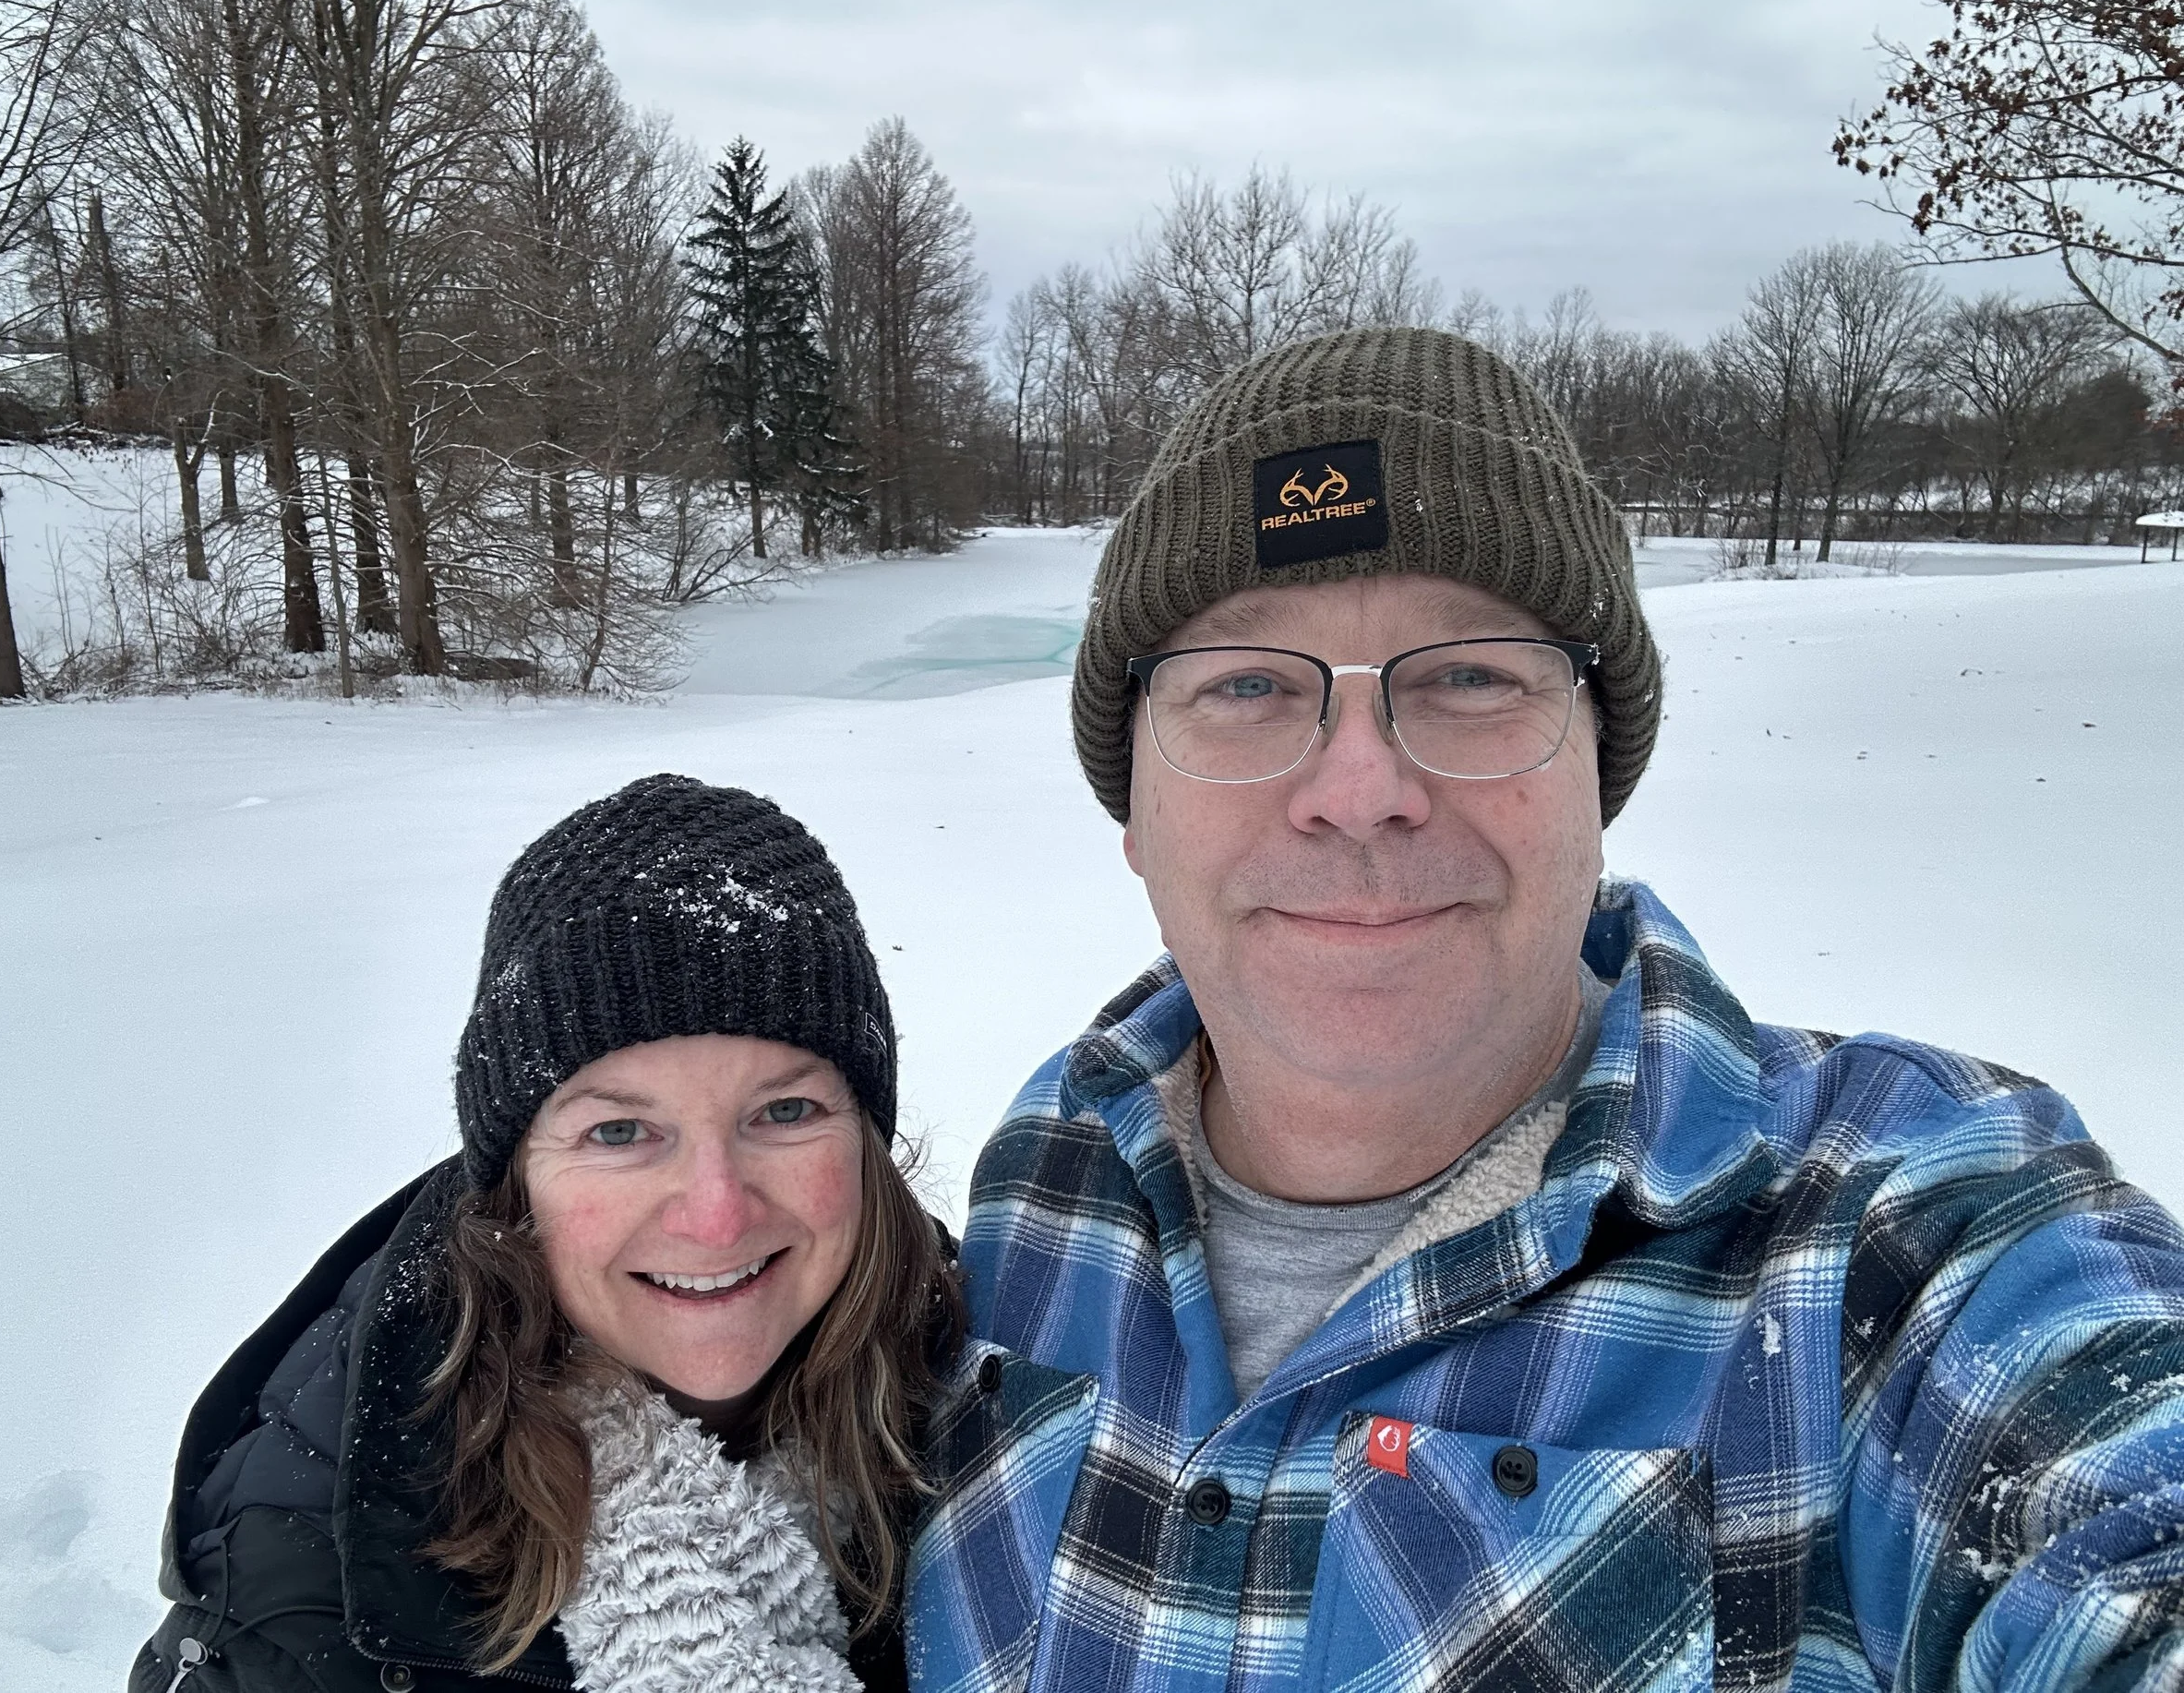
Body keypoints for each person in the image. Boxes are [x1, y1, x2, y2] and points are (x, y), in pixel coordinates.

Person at [906, 327, 2184, 1692]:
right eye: (1248, 685)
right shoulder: (1044, 1179)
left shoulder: (1902, 1238)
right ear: (1136, 818)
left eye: (1467, 676)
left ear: (1595, 775)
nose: (1359, 786)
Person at [130, 774, 955, 1693]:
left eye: (786, 1111)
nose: (716, 1211)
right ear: (515, 1184)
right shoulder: (304, 1598)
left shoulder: (1006, 1396)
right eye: (617, 1132)